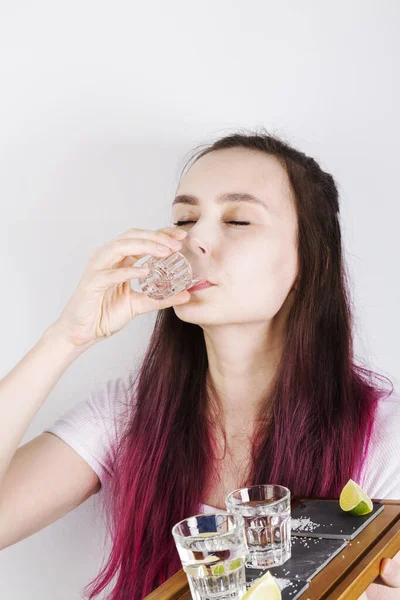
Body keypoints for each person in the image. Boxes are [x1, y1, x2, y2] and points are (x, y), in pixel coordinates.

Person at [0, 130, 399, 600]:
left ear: (313, 263)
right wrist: (67, 336)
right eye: (186, 218)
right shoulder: (126, 412)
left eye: (239, 221)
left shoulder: (383, 435)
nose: (197, 239)